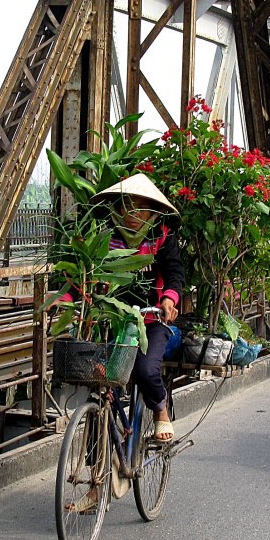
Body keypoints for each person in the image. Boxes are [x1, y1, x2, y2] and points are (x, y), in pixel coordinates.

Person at [90, 173, 186, 442]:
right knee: (97, 380)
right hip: (111, 318)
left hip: (150, 321)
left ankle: (160, 409)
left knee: (145, 370)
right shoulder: (105, 235)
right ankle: (94, 466)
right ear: (118, 208)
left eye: (140, 207)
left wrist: (169, 298)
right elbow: (86, 273)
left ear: (151, 212)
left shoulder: (162, 237)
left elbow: (175, 273)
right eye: (126, 205)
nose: (132, 213)